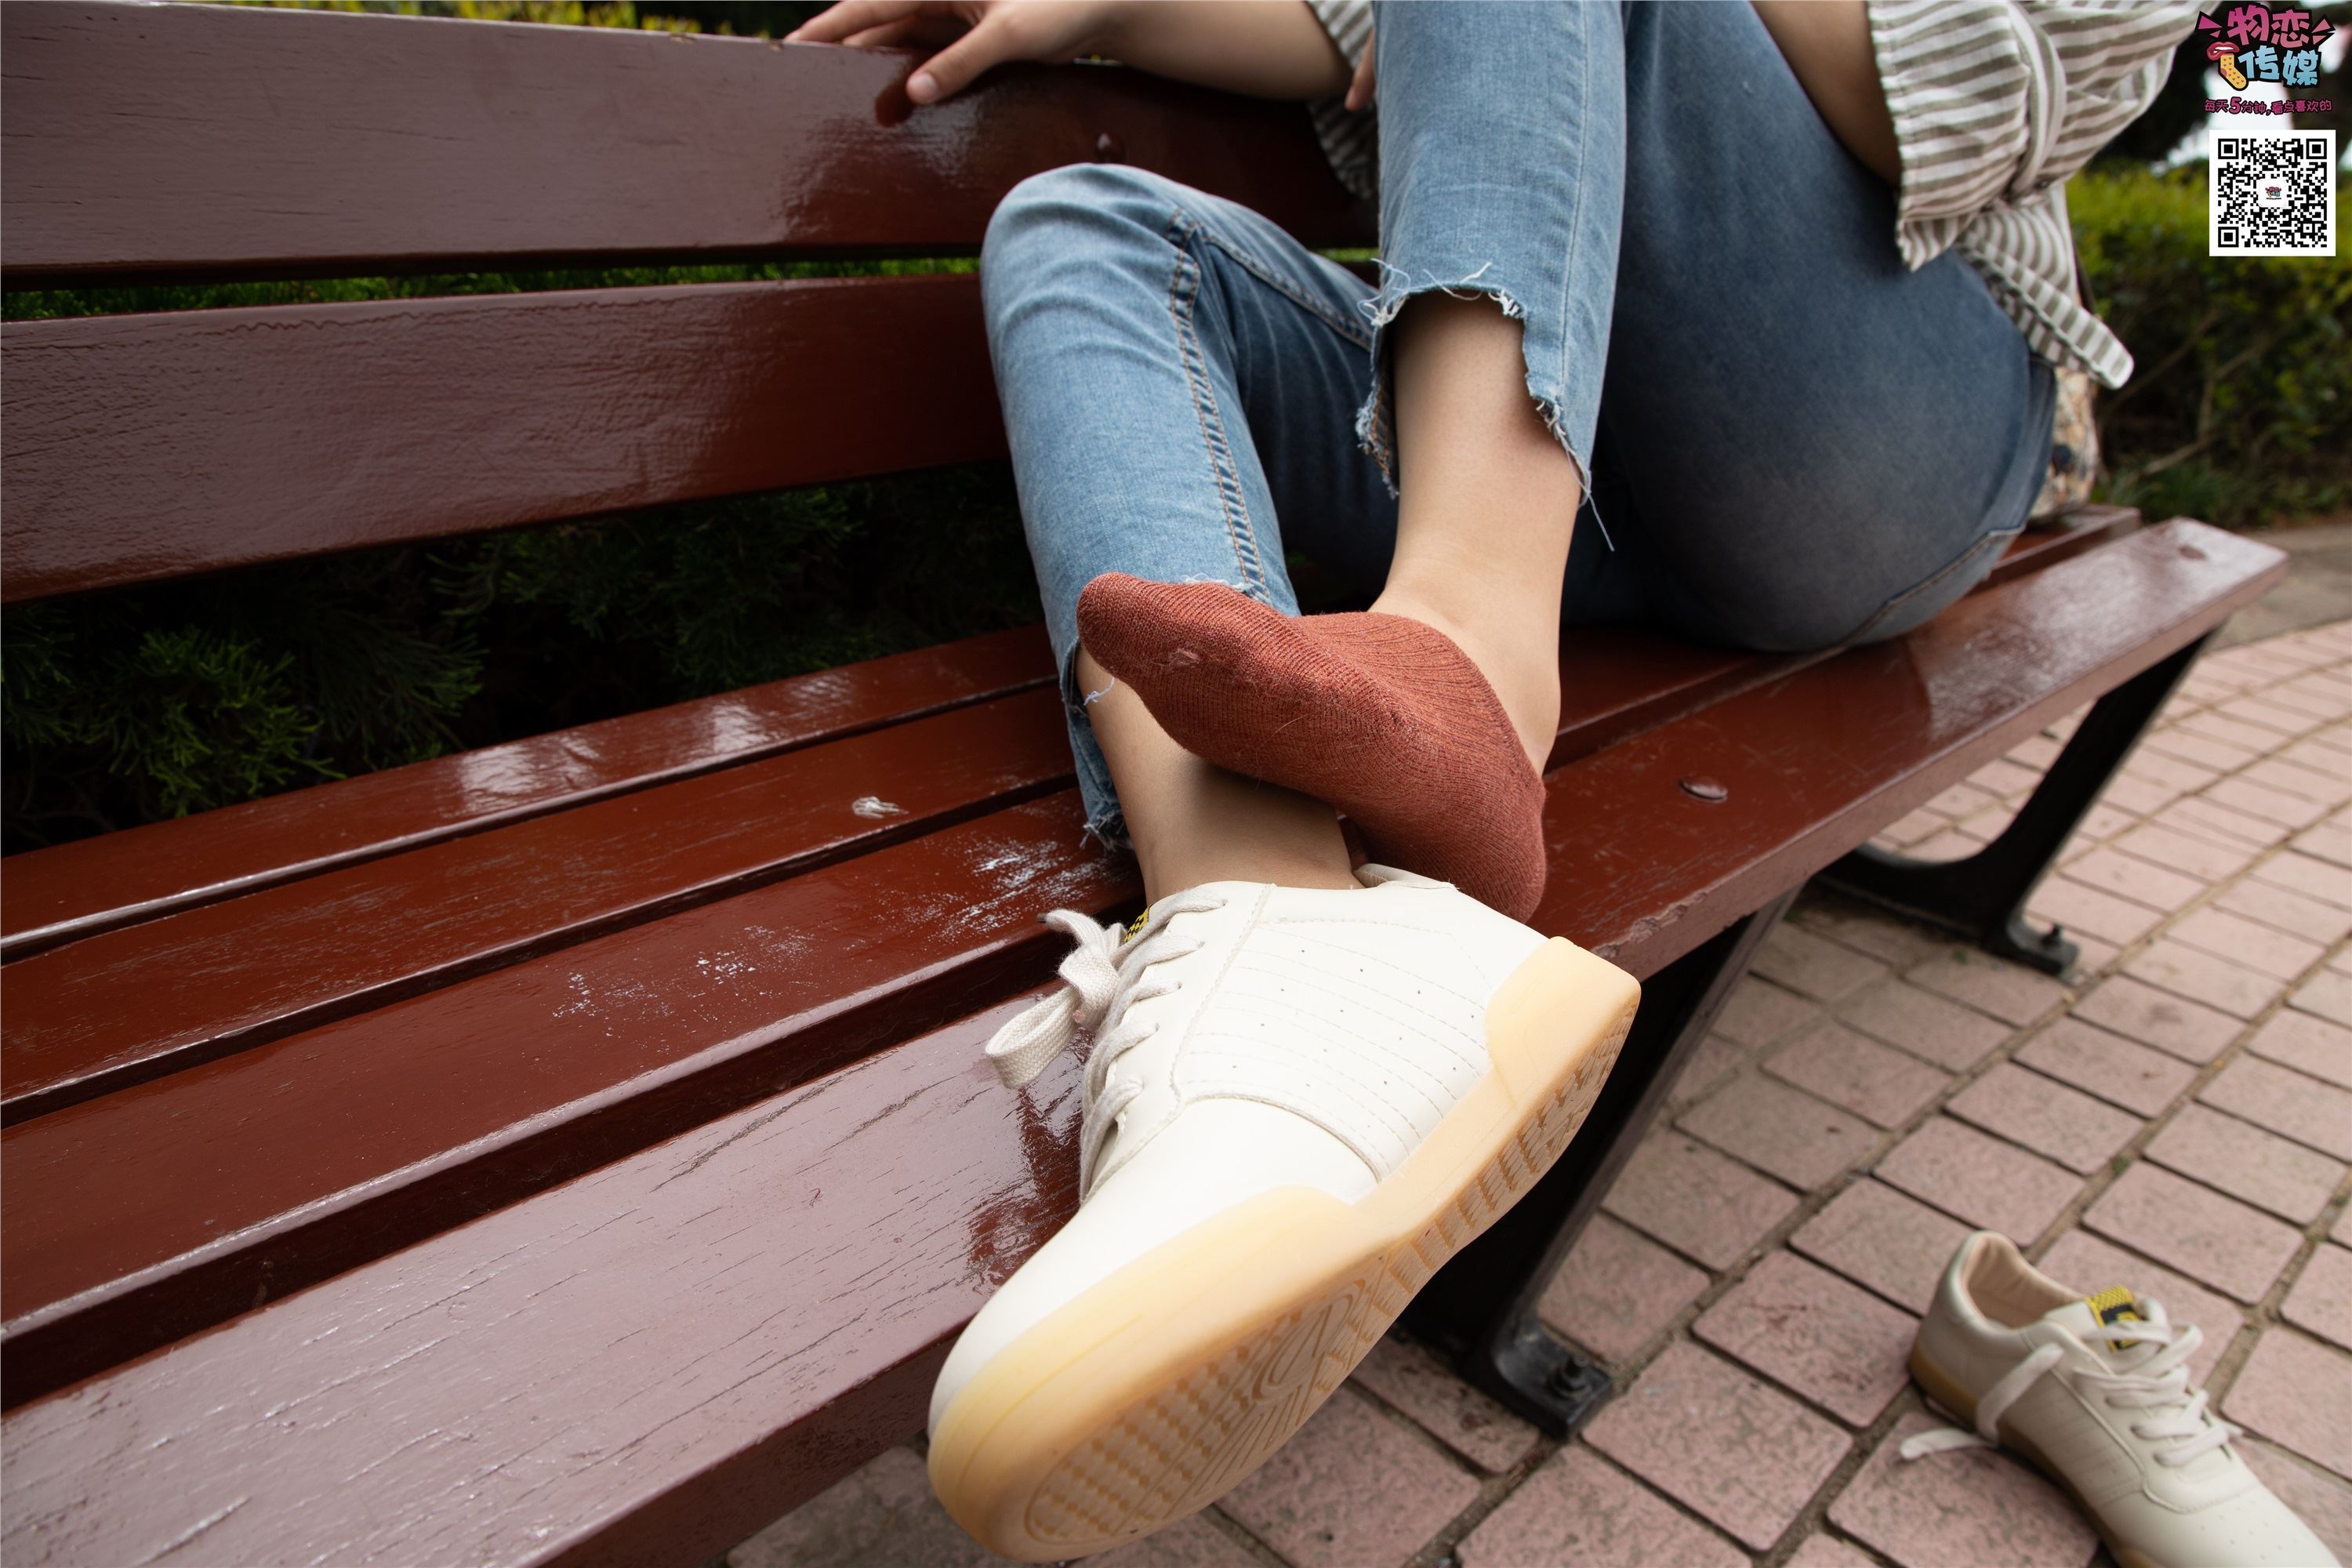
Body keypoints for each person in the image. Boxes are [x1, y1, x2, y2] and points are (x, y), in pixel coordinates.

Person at [782, 3, 2202, 1560]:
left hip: (1886, 445)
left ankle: (1468, 647)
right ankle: (1264, 935)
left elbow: (2000, 79)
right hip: (1580, 437)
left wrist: (2293, 220)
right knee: (1085, 232)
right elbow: (1356, 32)